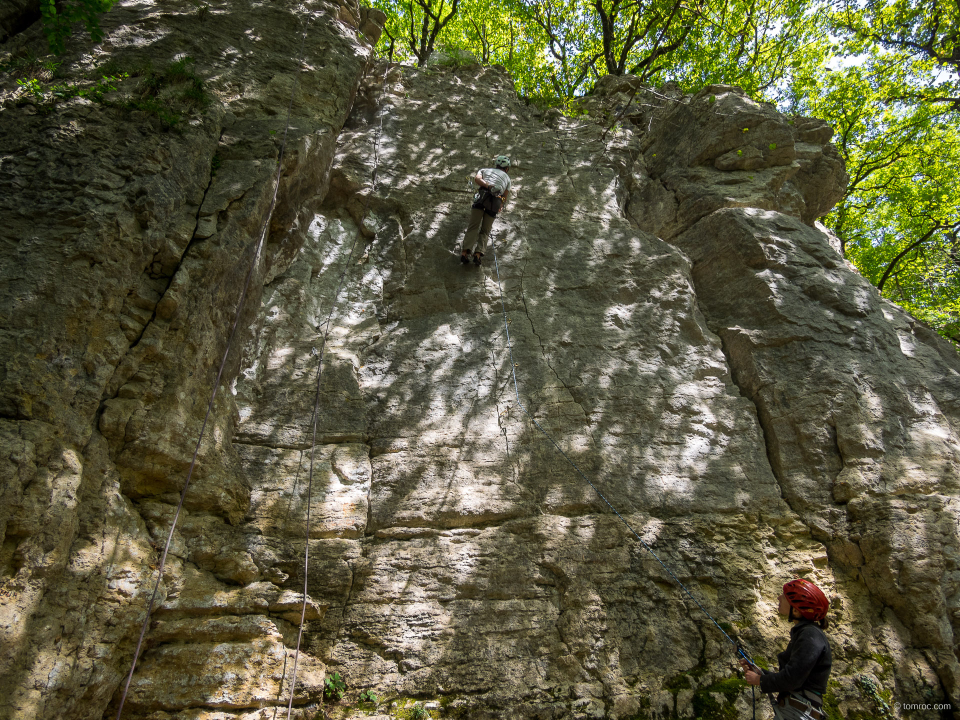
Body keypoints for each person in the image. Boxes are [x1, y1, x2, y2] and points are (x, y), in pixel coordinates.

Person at [740, 579, 832, 720]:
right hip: (795, 712)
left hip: (797, 713)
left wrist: (760, 680)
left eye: (785, 596)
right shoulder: (806, 633)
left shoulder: (810, 635)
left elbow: (792, 679)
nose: (779, 598)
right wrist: (760, 673)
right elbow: (794, 677)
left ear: (796, 609)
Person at [461, 155, 512, 266]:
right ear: (507, 168)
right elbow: (504, 196)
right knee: (485, 230)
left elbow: (477, 179)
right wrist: (501, 205)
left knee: (473, 226)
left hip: (481, 197)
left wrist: (488, 186)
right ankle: (478, 255)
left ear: (496, 165)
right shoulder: (508, 179)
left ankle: (465, 252)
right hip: (495, 201)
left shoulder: (484, 170)